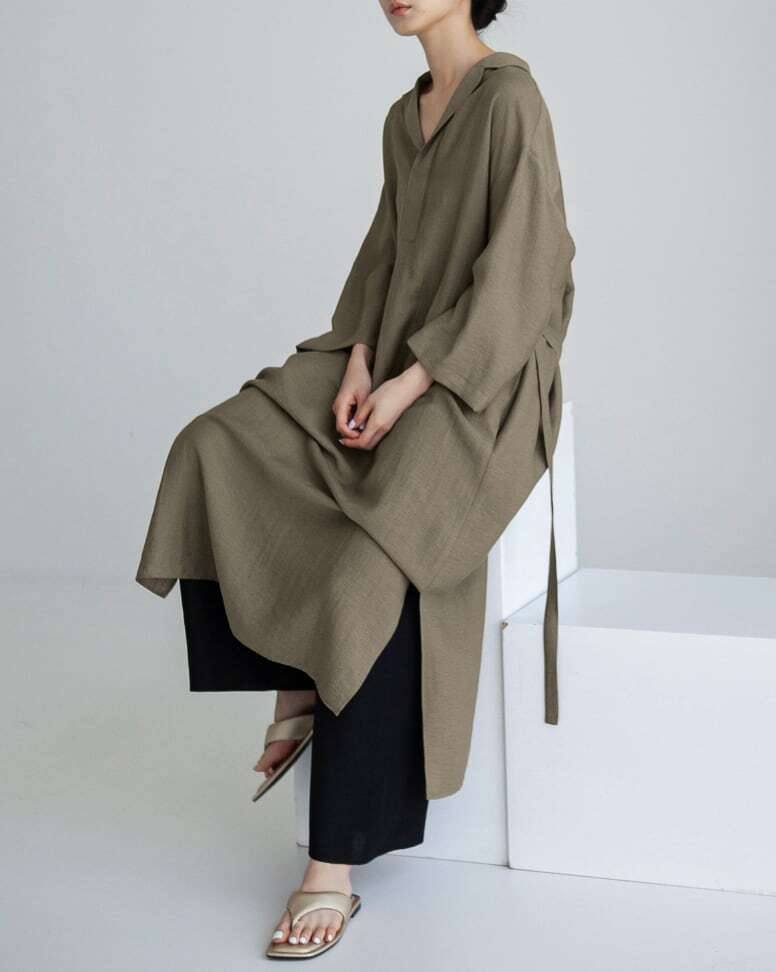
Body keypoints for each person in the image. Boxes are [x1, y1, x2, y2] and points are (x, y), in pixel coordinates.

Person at [136, 0, 575, 959]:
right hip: (393, 353)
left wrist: (417, 380)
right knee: (217, 443)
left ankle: (330, 868)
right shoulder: (402, 114)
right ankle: (293, 676)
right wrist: (361, 360)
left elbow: (530, 269)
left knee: (375, 557)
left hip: (483, 377)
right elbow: (384, 255)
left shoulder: (511, 100)